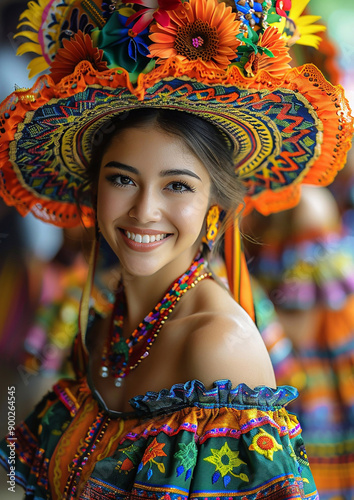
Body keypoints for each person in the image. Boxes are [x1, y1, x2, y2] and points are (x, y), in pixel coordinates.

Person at [0, 0, 353, 498]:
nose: (144, 210)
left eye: (178, 186)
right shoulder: (103, 324)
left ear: (215, 206)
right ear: (93, 191)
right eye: (122, 179)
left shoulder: (217, 348)